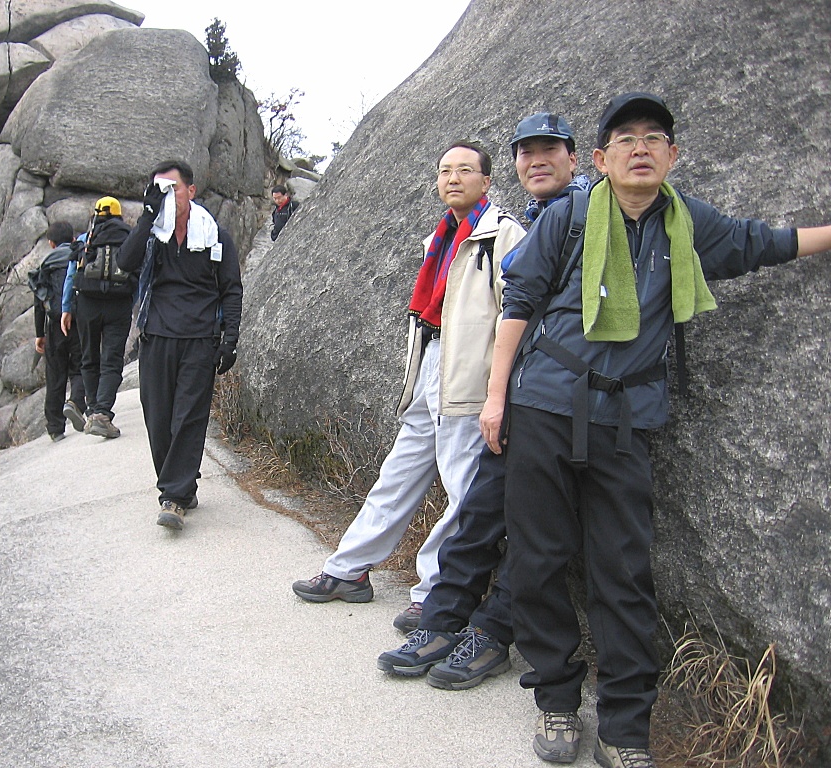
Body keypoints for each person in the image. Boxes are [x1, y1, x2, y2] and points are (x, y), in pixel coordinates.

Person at [483, 93, 831, 768]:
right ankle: (557, 698)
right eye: (625, 138)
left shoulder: (687, 223)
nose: (640, 148)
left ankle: (624, 728)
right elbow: (519, 303)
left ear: (673, 155)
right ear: (601, 158)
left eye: (654, 138)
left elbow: (766, 243)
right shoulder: (570, 217)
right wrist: (495, 399)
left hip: (625, 420)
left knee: (623, 572)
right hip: (546, 406)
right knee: (537, 559)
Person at [377, 113, 590, 688]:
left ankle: (491, 633)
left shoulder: (582, 217)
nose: (537, 162)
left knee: (533, 530)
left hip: (556, 399)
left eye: (550, 151)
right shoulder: (535, 220)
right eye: (527, 152)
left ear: (577, 159)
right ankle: (441, 621)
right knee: (477, 513)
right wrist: (498, 394)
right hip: (516, 391)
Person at [291, 141, 526, 631]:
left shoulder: (503, 234)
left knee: (463, 487)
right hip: (432, 362)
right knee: (398, 473)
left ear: (486, 181)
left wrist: (496, 388)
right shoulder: (440, 237)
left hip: (470, 372)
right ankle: (349, 569)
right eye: (445, 171)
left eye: (465, 170)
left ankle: (435, 591)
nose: (453, 178)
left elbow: (515, 313)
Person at [115, 160, 242, 531]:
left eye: (172, 188)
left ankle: (174, 495)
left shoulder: (215, 235)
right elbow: (125, 262)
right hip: (156, 336)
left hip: (200, 339)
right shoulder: (153, 233)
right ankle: (180, 485)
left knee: (188, 417)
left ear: (191, 191)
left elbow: (231, 289)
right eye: (160, 189)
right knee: (158, 419)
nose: (167, 196)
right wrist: (147, 215)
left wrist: (230, 339)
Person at [61, 197, 135, 439]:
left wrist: (66, 308)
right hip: (119, 304)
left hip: (87, 303)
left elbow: (72, 275)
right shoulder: (129, 237)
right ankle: (102, 413)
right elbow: (140, 272)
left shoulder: (87, 239)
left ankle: (92, 410)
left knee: (89, 358)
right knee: (112, 361)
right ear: (119, 215)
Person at [31, 220, 86, 441]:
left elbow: (39, 301)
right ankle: (76, 403)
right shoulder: (80, 257)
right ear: (73, 239)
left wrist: (40, 334)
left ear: (51, 243)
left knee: (55, 375)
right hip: (79, 322)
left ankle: (55, 427)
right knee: (81, 367)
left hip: (54, 325)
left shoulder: (46, 265)